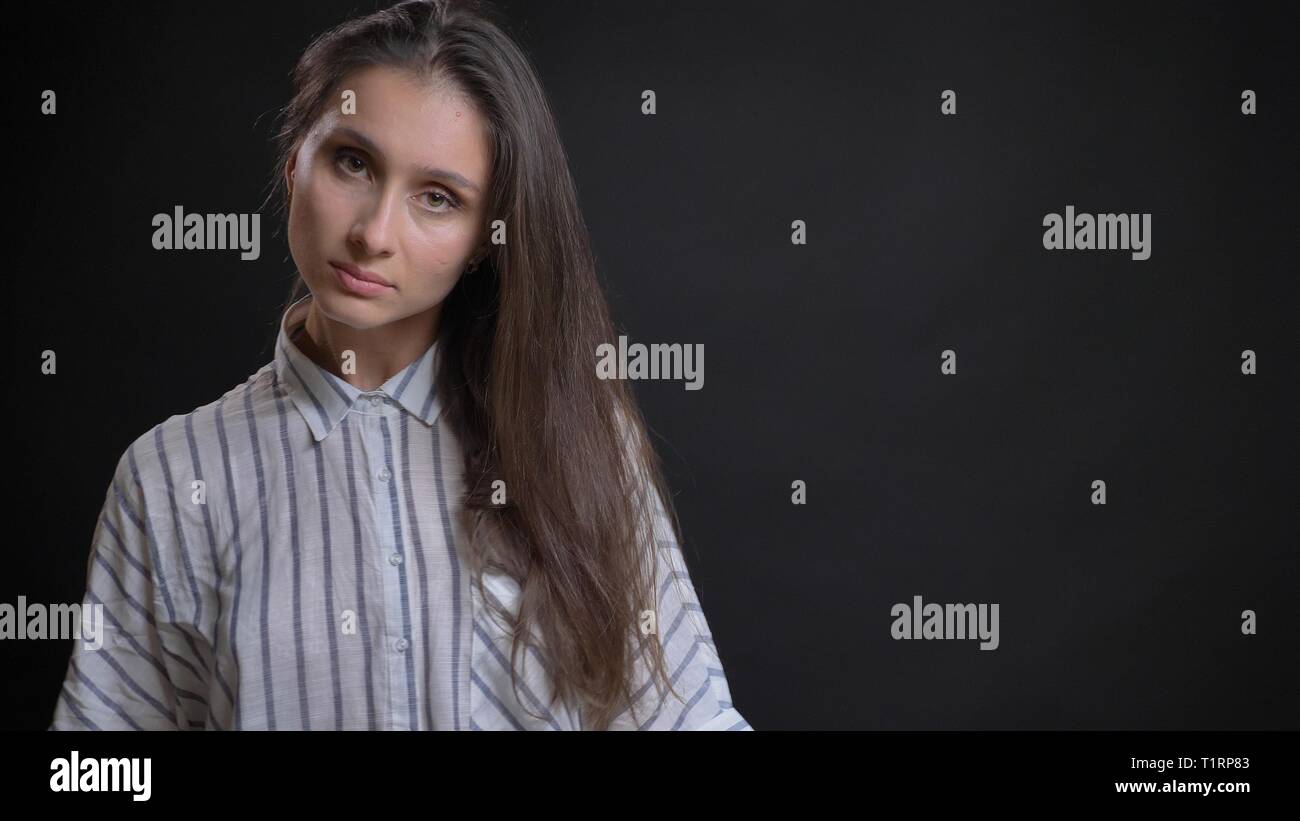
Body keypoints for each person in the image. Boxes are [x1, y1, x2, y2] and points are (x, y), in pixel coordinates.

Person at [49, 0, 749, 731]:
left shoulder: (577, 435)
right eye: (353, 162)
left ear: (486, 237)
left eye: (438, 198)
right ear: (294, 163)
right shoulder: (169, 478)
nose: (373, 233)